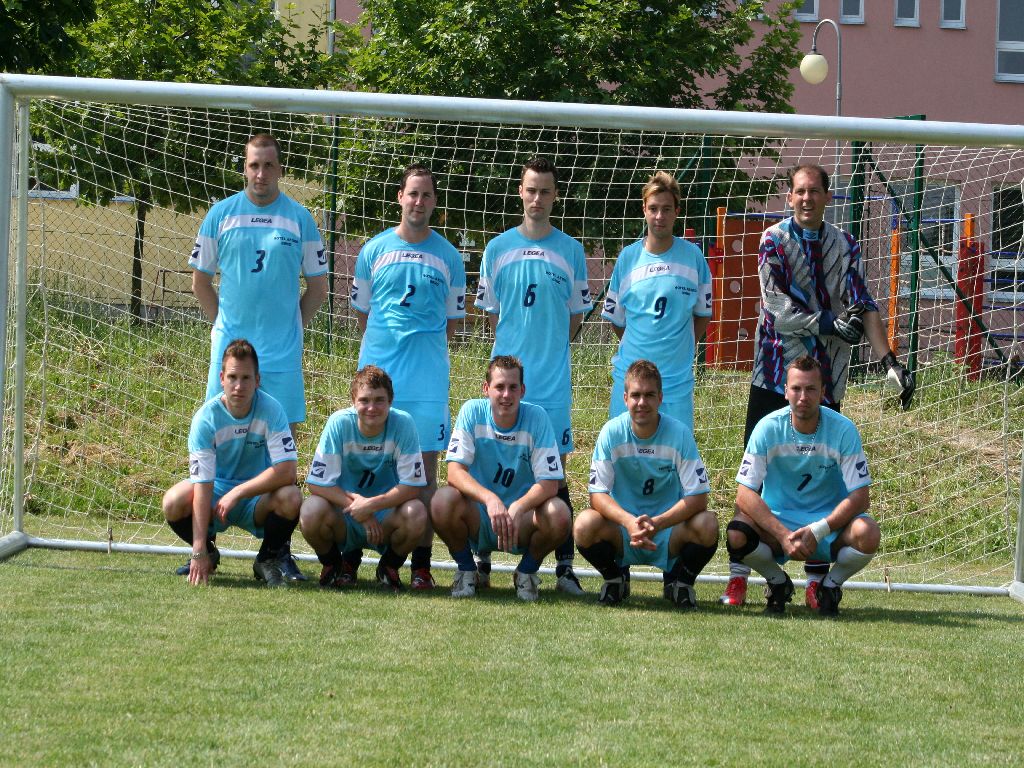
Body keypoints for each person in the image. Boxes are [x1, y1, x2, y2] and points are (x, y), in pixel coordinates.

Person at [721, 163, 912, 608]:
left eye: (814, 191)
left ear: (827, 196)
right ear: (789, 197)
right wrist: (828, 321)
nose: (806, 198)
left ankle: (816, 579)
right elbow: (777, 308)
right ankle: (738, 576)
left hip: (826, 376)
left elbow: (863, 303)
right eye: (799, 191)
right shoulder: (772, 240)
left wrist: (889, 361)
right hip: (774, 374)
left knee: (824, 480)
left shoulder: (845, 244)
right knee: (754, 477)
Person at [186, 132, 328, 582]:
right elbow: (200, 282)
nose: (261, 173)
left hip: (281, 358)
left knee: (283, 462)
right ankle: (204, 546)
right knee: (214, 447)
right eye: (253, 165)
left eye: (268, 165)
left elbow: (318, 288)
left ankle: (275, 554)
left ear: (280, 169)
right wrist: (224, 331)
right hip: (229, 358)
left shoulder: (301, 219)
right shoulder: (220, 215)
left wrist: (290, 330)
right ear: (243, 168)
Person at [475, 156, 592, 595]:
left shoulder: (572, 251)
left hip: (551, 384)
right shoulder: (496, 248)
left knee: (554, 475)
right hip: (506, 385)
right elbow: (493, 317)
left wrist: (547, 349)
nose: (537, 198)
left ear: (555, 196)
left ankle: (564, 568)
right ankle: (482, 560)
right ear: (520, 192)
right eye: (531, 190)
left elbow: (575, 319)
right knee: (491, 464)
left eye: (545, 191)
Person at [350, 164, 467, 590]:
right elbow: (363, 315)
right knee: (363, 461)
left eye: (426, 195)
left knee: (426, 474)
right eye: (412, 193)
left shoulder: (450, 256)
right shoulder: (373, 250)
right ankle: (349, 558)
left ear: (435, 202)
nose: (418, 202)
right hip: (379, 380)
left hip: (426, 382)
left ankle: (420, 564)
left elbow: (452, 323)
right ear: (399, 197)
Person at [725, 356, 880, 616]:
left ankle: (829, 586)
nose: (803, 397)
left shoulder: (844, 430)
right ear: (786, 391)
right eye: (796, 388)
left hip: (827, 528)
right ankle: (777, 582)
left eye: (810, 389)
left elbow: (861, 497)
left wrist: (819, 530)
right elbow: (744, 494)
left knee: (869, 532)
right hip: (779, 525)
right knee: (737, 532)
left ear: (823, 392)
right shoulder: (767, 428)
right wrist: (783, 535)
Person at [574, 360, 717, 609]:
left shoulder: (679, 434)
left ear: (660, 398)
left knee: (708, 524)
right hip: (623, 531)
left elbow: (698, 497)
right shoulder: (611, 433)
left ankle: (681, 583)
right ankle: (615, 579)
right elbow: (597, 495)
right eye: (636, 395)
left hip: (667, 530)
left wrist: (657, 523)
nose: (642, 402)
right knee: (584, 524)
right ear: (625, 398)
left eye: (649, 395)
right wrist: (629, 522)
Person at [162, 339, 303, 587]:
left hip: (256, 498)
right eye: (233, 377)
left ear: (257, 380)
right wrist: (198, 549)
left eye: (246, 378)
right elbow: (203, 484)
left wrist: (238, 492)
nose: (239, 386)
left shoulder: (273, 410)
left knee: (292, 497)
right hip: (215, 495)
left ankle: (267, 560)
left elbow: (287, 472)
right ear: (221, 379)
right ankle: (209, 552)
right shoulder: (205, 419)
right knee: (173, 501)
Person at [431, 356, 570, 601]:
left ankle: (526, 572)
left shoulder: (537, 417)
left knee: (559, 513)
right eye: (499, 387)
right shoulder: (472, 411)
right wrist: (490, 499)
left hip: (521, 520)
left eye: (513, 387)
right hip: (481, 516)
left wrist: (519, 506)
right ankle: (467, 570)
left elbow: (550, 484)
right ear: (486, 388)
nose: (506, 395)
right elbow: (454, 472)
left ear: (522, 390)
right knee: (441, 501)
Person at [298, 366, 428, 592]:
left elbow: (413, 486)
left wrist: (371, 506)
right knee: (310, 510)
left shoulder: (404, 424)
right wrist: (359, 509)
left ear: (390, 401)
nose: (371, 408)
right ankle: (334, 565)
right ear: (353, 401)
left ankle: (388, 566)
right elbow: (317, 483)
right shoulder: (339, 423)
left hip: (385, 515)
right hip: (346, 514)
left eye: (379, 400)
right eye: (364, 400)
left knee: (416, 512)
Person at [601, 170, 712, 432]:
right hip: (631, 382)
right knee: (623, 452)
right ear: (644, 210)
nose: (659, 216)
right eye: (653, 208)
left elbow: (703, 314)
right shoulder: (628, 258)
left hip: (675, 384)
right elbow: (617, 321)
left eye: (666, 209)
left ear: (677, 212)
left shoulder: (694, 257)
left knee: (676, 453)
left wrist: (679, 346)